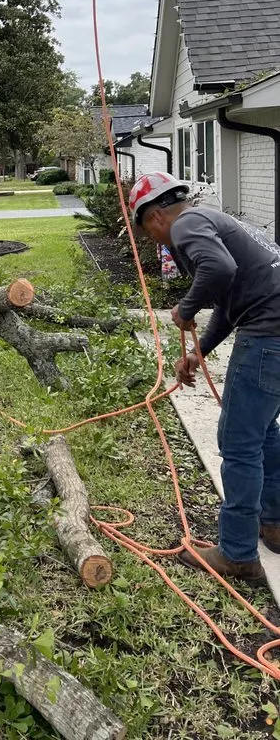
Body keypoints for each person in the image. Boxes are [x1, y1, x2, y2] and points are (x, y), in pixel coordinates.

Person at [130, 170, 280, 584]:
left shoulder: (188, 224)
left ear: (155, 217)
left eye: (146, 231)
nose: (154, 240)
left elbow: (218, 269)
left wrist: (186, 307)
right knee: (265, 431)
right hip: (274, 331)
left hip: (269, 337)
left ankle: (237, 552)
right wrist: (198, 353)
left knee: (239, 442)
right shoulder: (213, 220)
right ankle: (275, 524)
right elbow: (231, 300)